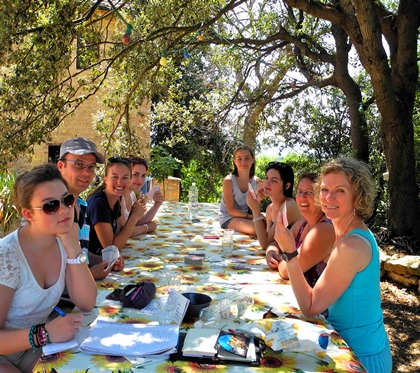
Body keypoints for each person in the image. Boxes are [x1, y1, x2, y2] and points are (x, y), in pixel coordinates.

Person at [274, 158, 392, 372]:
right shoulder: (348, 232)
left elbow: (310, 307)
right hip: (347, 347)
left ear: (358, 196)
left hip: (361, 360)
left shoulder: (351, 245)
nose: (329, 197)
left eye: (340, 190)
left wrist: (290, 253)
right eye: (325, 189)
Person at [0, 163, 97, 372]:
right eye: (50, 206)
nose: (64, 210)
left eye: (67, 200)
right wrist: (44, 333)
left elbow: (87, 302)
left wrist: (73, 247)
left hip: (39, 349)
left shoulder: (63, 240)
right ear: (28, 214)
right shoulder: (6, 257)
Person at [57, 137, 123, 280]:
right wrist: (90, 274)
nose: (86, 172)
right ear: (61, 166)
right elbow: (49, 269)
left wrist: (104, 261)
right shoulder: (53, 209)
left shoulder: (82, 205)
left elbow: (82, 254)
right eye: (79, 164)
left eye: (91, 167)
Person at [265, 173, 335, 287]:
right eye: (299, 192)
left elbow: (285, 271)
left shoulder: (325, 229)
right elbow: (275, 243)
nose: (302, 197)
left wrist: (282, 258)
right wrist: (271, 253)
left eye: (309, 192)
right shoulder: (303, 223)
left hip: (315, 303)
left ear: (321, 197)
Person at [87, 157, 147, 255]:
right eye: (115, 177)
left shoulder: (116, 200)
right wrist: (134, 217)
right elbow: (111, 249)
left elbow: (119, 235)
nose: (119, 182)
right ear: (105, 179)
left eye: (125, 177)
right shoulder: (99, 205)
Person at [247, 162, 302, 250]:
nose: (267, 183)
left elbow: (265, 244)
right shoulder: (270, 208)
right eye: (266, 178)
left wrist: (255, 209)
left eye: (274, 180)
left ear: (287, 186)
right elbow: (267, 239)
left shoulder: (288, 206)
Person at [219, 146, 262, 235]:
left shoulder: (257, 181)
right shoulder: (228, 181)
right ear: (234, 161)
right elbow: (231, 210)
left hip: (247, 217)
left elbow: (253, 208)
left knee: (270, 225)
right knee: (259, 229)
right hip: (229, 218)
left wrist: (258, 201)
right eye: (239, 159)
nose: (243, 162)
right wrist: (252, 217)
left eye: (247, 158)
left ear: (253, 160)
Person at [118, 156, 164, 236]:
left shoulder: (131, 194)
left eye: (143, 176)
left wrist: (156, 205)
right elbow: (123, 231)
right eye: (136, 174)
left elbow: (138, 221)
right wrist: (146, 228)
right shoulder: (118, 197)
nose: (140, 180)